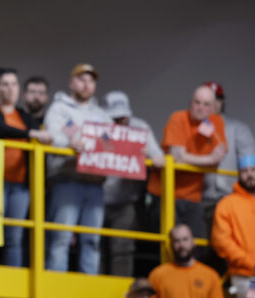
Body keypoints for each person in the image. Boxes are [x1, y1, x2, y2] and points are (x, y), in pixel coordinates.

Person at [0, 68, 52, 266]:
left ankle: (12, 283)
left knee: (14, 237)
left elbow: (37, 135)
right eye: (5, 84)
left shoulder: (25, 117)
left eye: (14, 84)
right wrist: (31, 134)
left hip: (20, 184)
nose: (10, 89)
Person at [44, 63, 112, 274]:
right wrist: (69, 143)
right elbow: (51, 137)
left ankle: (88, 286)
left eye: (90, 80)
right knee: (61, 237)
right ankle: (56, 285)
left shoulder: (102, 115)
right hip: (67, 180)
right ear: (71, 83)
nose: (86, 84)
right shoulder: (59, 109)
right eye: (81, 79)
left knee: (92, 239)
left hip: (94, 184)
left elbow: (111, 144)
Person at [146, 86, 227, 240]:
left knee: (195, 244)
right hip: (166, 193)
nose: (200, 107)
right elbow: (178, 156)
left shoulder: (216, 122)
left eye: (206, 104)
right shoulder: (178, 117)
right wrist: (208, 159)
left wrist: (206, 160)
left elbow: (219, 158)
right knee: (172, 243)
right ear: (190, 102)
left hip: (194, 196)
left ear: (213, 107)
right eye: (197, 102)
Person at [101, 91, 164, 277]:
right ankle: (93, 292)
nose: (120, 121)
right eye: (115, 118)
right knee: (94, 245)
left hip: (127, 201)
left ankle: (119, 292)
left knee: (123, 248)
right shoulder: (96, 127)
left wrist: (147, 156)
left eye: (124, 117)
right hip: (97, 197)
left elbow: (160, 158)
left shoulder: (140, 128)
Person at [211, 154, 255, 298]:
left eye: (254, 170)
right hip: (247, 277)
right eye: (246, 170)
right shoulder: (227, 204)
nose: (250, 174)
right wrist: (250, 262)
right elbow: (221, 242)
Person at [201, 82, 255, 257]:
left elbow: (249, 164)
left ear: (222, 102)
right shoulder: (193, 127)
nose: (214, 103)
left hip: (230, 196)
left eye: (217, 99)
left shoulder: (238, 129)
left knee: (230, 245)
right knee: (200, 247)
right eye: (209, 99)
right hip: (198, 198)